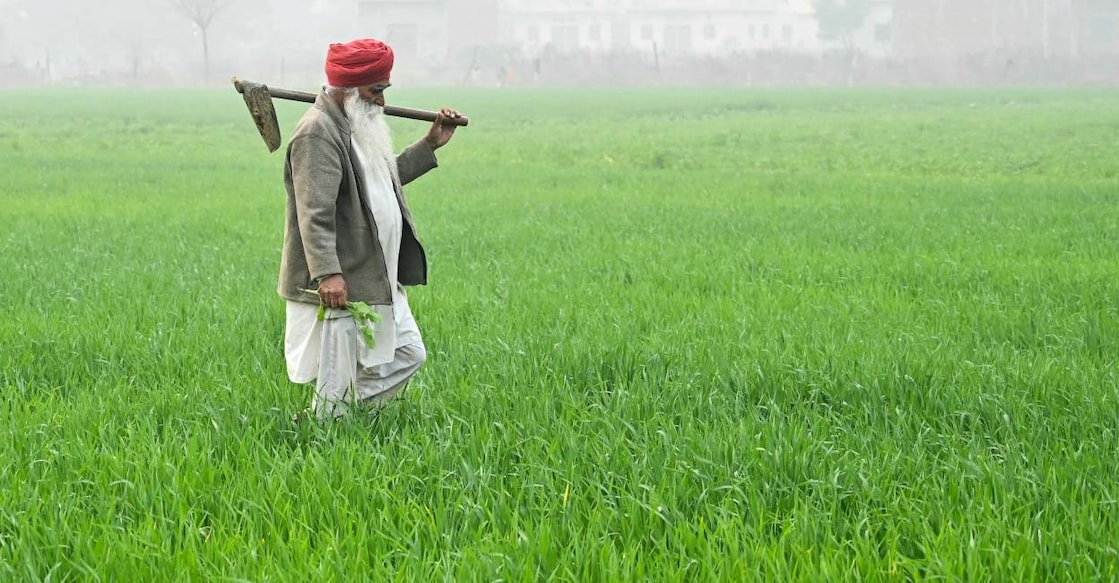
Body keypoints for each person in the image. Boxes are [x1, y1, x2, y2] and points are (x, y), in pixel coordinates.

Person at [277, 38, 461, 420]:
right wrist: (327, 273)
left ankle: (328, 416)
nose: (381, 101)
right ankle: (327, 427)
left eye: (383, 91)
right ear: (347, 89)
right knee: (337, 375)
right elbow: (314, 211)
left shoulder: (355, 123)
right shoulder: (318, 132)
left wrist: (430, 145)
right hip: (342, 281)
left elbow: (379, 181)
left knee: (408, 353)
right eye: (375, 90)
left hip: (375, 272)